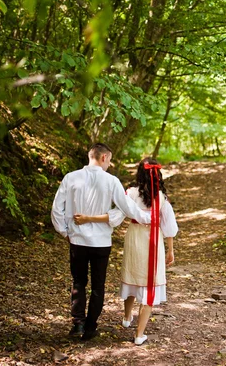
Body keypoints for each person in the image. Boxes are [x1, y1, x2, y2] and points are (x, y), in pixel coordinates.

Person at [51, 143, 152, 341]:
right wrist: (148, 219)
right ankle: (90, 327)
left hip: (77, 241)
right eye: (110, 159)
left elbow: (57, 209)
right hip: (101, 243)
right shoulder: (111, 181)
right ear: (104, 157)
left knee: (78, 282)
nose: (110, 164)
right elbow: (127, 207)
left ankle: (78, 323)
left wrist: (65, 232)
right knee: (98, 286)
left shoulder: (71, 177)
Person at [74, 158, 178, 345]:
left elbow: (115, 216)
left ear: (139, 173)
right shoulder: (161, 196)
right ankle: (139, 335)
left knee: (133, 275)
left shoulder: (130, 193)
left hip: (135, 237)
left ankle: (127, 317)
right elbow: (168, 225)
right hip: (153, 239)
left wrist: (89, 218)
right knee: (149, 281)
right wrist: (170, 250)